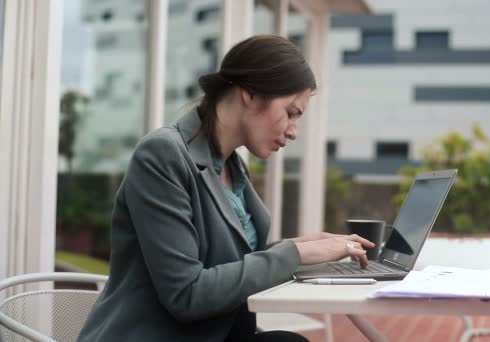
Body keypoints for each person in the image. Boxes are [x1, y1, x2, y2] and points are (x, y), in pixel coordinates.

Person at [78, 35, 374, 342]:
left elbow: (228, 263)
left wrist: (311, 248)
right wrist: (294, 253)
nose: (293, 131)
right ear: (250, 93)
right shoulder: (162, 155)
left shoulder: (231, 166)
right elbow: (187, 293)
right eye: (290, 112)